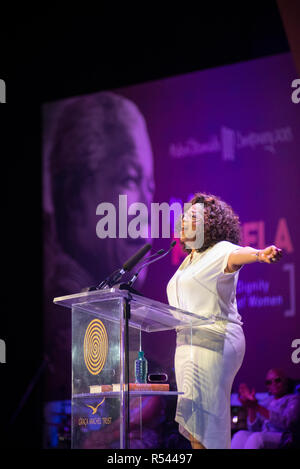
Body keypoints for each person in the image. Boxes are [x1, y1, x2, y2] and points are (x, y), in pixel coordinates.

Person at [43, 91, 155, 401]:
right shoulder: (51, 322)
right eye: (130, 179)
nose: (147, 207)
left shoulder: (120, 315)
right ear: (76, 199)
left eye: (151, 187)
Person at [166, 192, 282, 449]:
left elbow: (240, 254)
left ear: (209, 225)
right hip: (187, 345)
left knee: (207, 423)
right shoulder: (187, 261)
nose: (184, 221)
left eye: (192, 217)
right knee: (195, 426)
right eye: (184, 216)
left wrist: (261, 254)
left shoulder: (220, 251)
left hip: (213, 340)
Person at [231, 368, 300, 449]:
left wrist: (257, 407)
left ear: (285, 382)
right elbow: (254, 429)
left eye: (277, 380)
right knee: (240, 435)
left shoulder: (294, 399)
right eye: (269, 382)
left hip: (283, 436)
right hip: (264, 434)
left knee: (257, 438)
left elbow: (287, 423)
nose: (273, 384)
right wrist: (251, 407)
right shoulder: (266, 401)